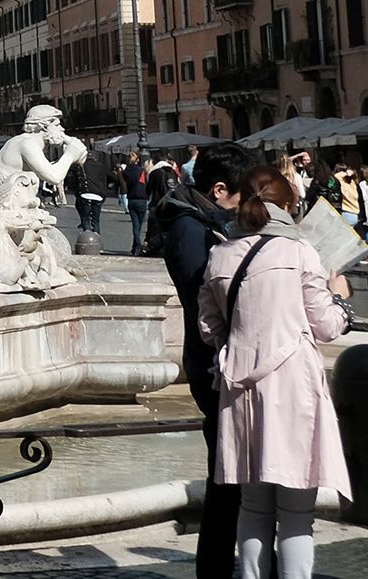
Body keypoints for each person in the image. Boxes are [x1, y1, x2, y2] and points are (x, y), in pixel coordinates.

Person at [198, 163, 350, 579]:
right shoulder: (300, 251)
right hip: (291, 384)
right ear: (286, 205)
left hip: (240, 386)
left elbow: (209, 328)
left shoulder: (219, 254)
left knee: (253, 506)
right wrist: (341, 299)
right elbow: (326, 326)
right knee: (297, 513)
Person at [149, 142, 257, 579]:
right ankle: (214, 566)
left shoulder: (197, 222)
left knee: (230, 474)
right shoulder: (192, 230)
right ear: (219, 190)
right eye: (242, 195)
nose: (248, 204)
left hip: (212, 361)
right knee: (226, 476)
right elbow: (205, 296)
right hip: (212, 362)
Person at [123, 150, 152, 253]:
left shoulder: (126, 171)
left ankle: (134, 247)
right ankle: (138, 246)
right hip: (142, 199)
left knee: (136, 225)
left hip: (131, 199)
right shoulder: (141, 171)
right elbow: (147, 184)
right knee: (138, 226)